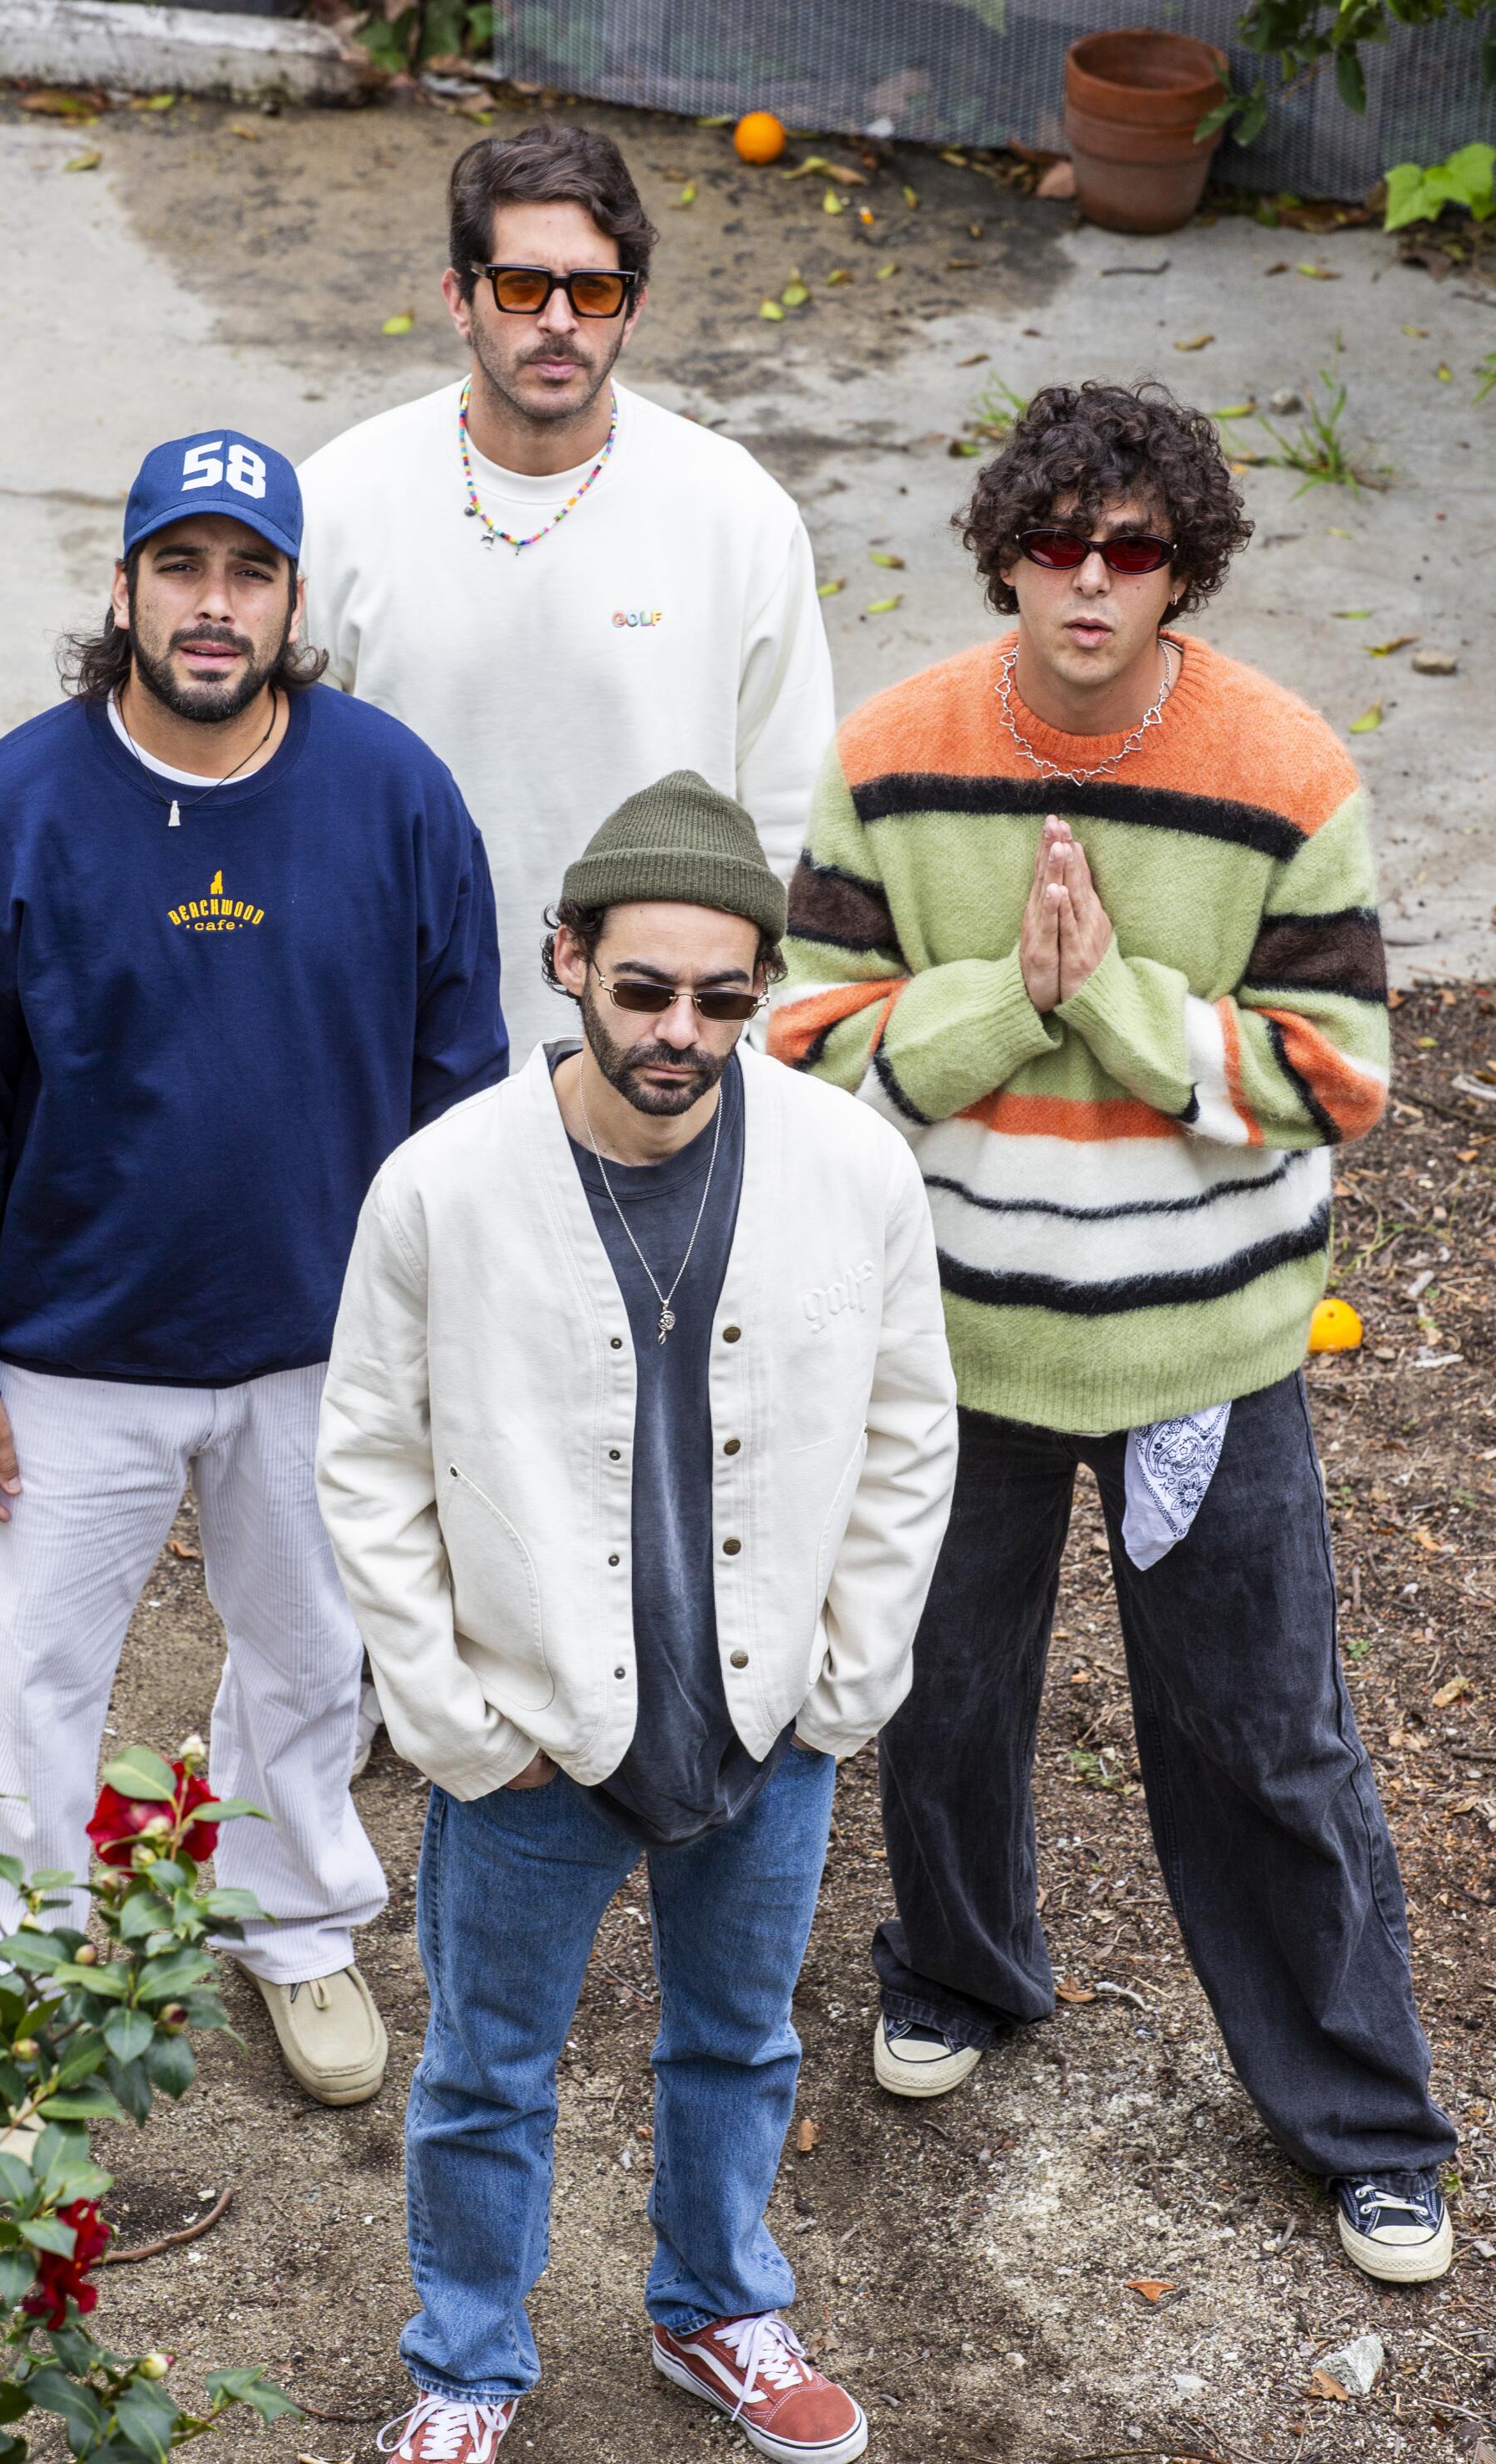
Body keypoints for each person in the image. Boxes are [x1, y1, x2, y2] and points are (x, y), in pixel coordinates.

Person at [773, 379, 1457, 2287]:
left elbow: (1338, 1072)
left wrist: (1126, 1012)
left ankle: (1362, 2120)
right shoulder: (894, 755)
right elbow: (805, 1035)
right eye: (1054, 541)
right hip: (954, 1344)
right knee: (939, 1700)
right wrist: (1008, 995)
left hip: (1195, 1361)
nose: (1088, 578)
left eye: (1129, 548)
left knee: (1256, 1734)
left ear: (1183, 568)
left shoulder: (1281, 767)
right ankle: (957, 1972)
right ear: (1003, 546)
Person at [317, 775, 957, 2464]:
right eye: (643, 988)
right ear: (567, 960)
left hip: (765, 1724)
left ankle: (716, 2309)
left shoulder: (852, 1171)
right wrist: (455, 1718)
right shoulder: (441, 1187)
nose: (681, 1030)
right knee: (480, 2074)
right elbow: (368, 1465)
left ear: (763, 988)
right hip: (528, 1738)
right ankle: (463, 2361)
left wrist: (847, 1679)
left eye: (723, 995)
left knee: (738, 2041)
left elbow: (908, 1430)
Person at [0, 428, 506, 2111]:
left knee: (315, 1653)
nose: (213, 604)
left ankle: (289, 1915)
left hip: (323, 1346)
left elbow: (464, 1086)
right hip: (68, 1355)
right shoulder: (9, 813)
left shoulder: (391, 793)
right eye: (182, 566)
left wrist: (445, 1330)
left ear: (296, 598)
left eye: (249, 571)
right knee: (22, 1672)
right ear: (125, 586)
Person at [298, 122, 835, 1065]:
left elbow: (791, 815)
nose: (557, 320)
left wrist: (747, 1049)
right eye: (519, 286)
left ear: (631, 309)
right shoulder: (338, 502)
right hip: (393, 1047)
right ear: (459, 299)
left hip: (659, 1061)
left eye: (592, 290)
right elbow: (282, 801)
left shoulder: (734, 513)